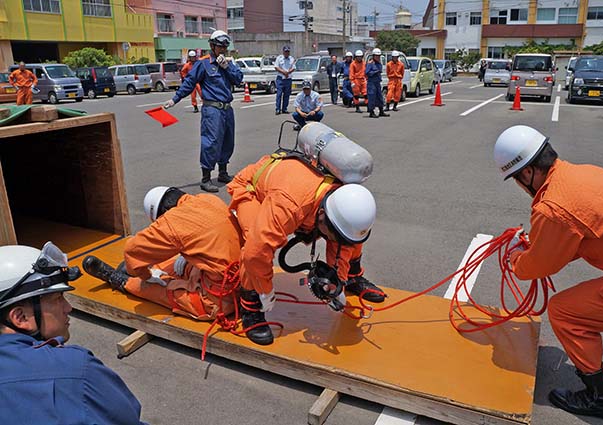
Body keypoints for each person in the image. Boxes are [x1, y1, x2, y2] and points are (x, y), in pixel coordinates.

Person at [494, 125, 603, 420]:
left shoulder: (554, 206)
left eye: (517, 181)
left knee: (564, 312)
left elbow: (539, 265)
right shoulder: (578, 175)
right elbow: (578, 237)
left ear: (526, 174)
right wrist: (537, 245)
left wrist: (515, 259)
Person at [227, 156, 386, 345]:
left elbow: (341, 243)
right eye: (332, 235)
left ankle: (353, 277)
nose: (335, 241)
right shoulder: (288, 207)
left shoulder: (340, 200)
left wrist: (338, 282)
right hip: (252, 187)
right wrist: (265, 290)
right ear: (321, 215)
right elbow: (256, 252)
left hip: (299, 191)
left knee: (349, 238)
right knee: (253, 241)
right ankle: (251, 308)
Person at [0, 242, 146, 424]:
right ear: (20, 317)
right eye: (57, 299)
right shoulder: (75, 369)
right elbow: (127, 418)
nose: (68, 308)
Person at [82, 187, 242, 321]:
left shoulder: (172, 222)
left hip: (218, 300)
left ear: (162, 213)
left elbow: (132, 251)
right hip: (241, 280)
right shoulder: (206, 199)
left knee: (156, 287)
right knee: (174, 261)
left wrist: (145, 276)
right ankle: (147, 268)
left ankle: (121, 281)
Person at [164, 30, 243, 194]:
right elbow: (189, 83)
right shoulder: (203, 64)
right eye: (220, 47)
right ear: (212, 46)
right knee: (211, 141)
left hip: (227, 109)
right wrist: (175, 99)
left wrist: (227, 67)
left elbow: (238, 79)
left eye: (225, 47)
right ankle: (206, 179)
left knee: (228, 141)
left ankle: (222, 173)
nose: (223, 50)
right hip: (212, 109)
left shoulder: (228, 64)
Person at [365, 48, 388, 118]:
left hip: (377, 82)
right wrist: (375, 72)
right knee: (371, 97)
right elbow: (367, 72)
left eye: (379, 56)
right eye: (376, 56)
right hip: (371, 83)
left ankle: (381, 111)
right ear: (373, 56)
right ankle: (371, 112)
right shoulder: (370, 63)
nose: (378, 57)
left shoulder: (379, 63)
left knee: (379, 97)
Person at [274, 45, 296, 115]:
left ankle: (284, 108)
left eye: (288, 51)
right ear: (283, 52)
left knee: (287, 94)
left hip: (288, 79)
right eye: (285, 51)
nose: (287, 53)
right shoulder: (279, 58)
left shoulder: (291, 59)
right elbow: (276, 67)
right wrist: (284, 72)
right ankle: (278, 109)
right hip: (280, 78)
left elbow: (293, 67)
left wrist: (288, 73)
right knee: (279, 94)